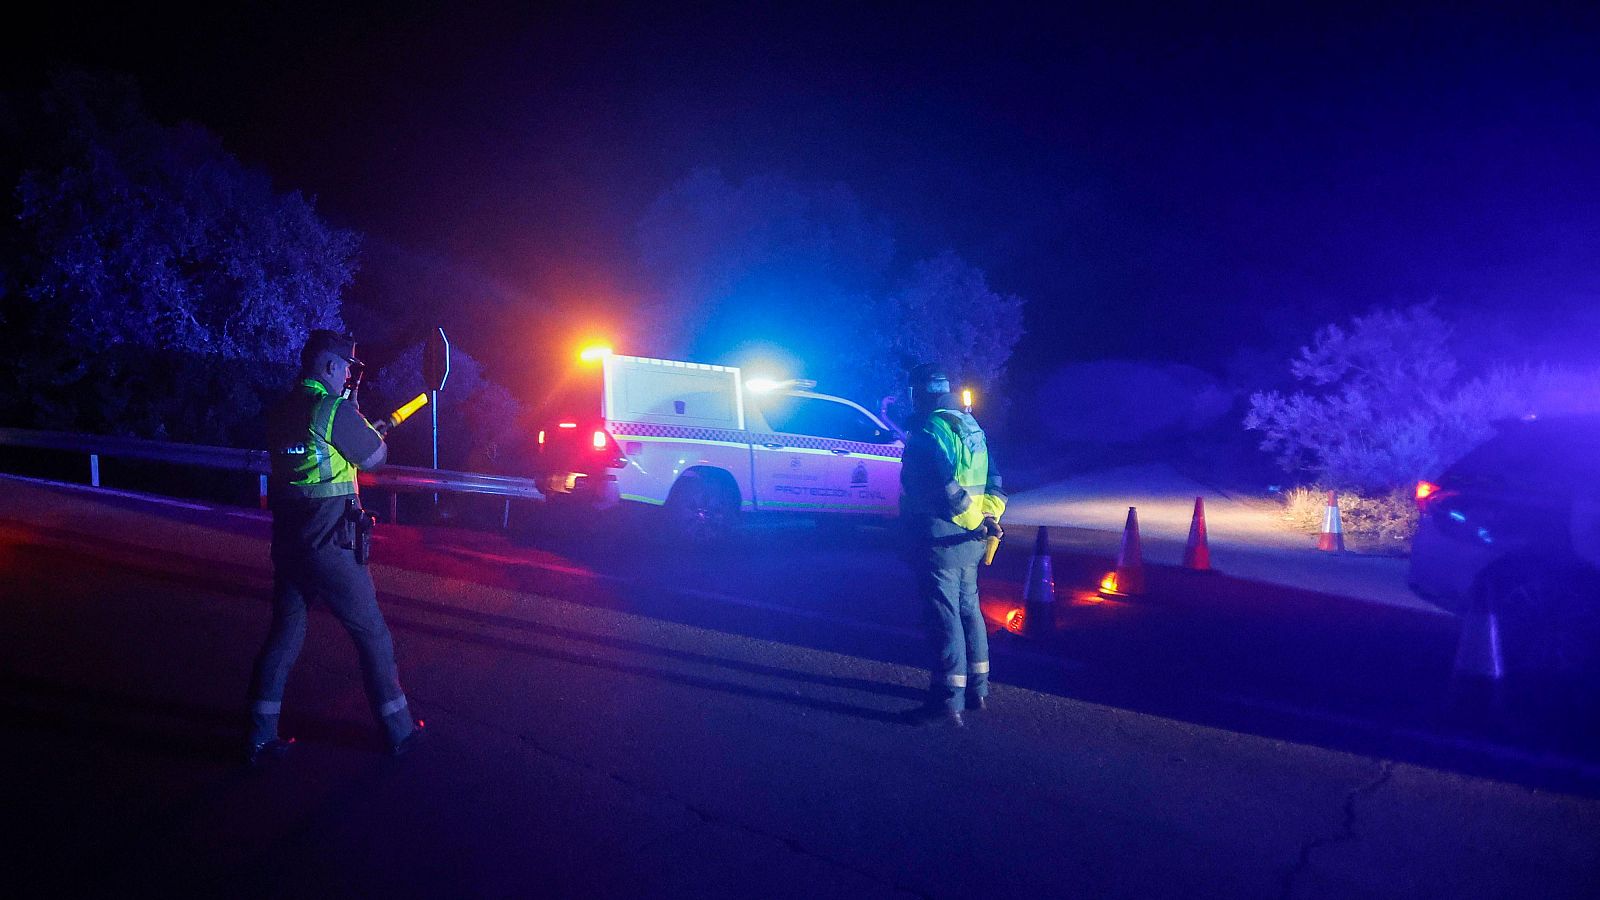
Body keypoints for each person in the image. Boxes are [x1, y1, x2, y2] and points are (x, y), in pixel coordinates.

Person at [246, 330, 424, 766]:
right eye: (346, 367)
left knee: (284, 635)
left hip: (289, 542)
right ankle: (398, 730)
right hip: (332, 544)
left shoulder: (281, 410)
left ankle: (258, 736)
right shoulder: (332, 409)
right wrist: (368, 431)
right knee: (372, 635)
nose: (348, 375)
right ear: (328, 366)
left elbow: (319, 458)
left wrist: (356, 424)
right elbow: (374, 459)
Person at [898, 363, 1006, 727]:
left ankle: (947, 701)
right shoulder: (971, 427)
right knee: (969, 613)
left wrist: (975, 522)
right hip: (969, 543)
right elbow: (995, 480)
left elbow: (942, 490)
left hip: (939, 540)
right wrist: (987, 519)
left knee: (944, 620)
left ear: (918, 393)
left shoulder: (927, 434)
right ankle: (978, 691)